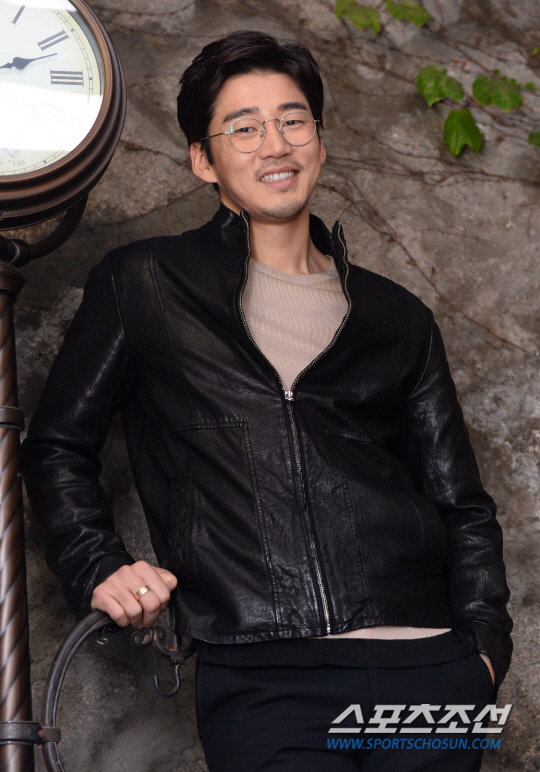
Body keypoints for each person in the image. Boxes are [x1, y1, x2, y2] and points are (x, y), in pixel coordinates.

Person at [21, 30, 513, 772]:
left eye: (292, 120)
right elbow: (58, 444)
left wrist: (482, 654)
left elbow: (461, 502)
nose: (275, 144)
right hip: (264, 676)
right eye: (244, 128)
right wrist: (97, 564)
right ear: (203, 159)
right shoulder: (145, 283)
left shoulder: (397, 315)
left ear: (319, 139)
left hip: (431, 669)